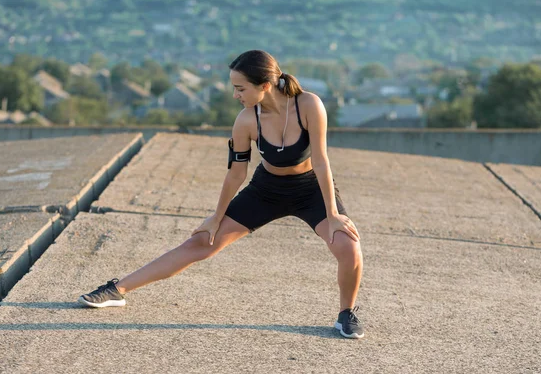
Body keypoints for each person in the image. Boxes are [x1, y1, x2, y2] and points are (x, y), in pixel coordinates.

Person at [78, 50, 364, 339]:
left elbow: (321, 161)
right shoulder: (246, 121)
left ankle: (346, 315)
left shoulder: (308, 105)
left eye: (240, 89)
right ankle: (117, 289)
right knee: (202, 241)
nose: (235, 95)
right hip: (266, 191)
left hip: (310, 189)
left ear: (265, 85)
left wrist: (332, 214)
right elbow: (236, 174)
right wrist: (215, 218)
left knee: (348, 246)